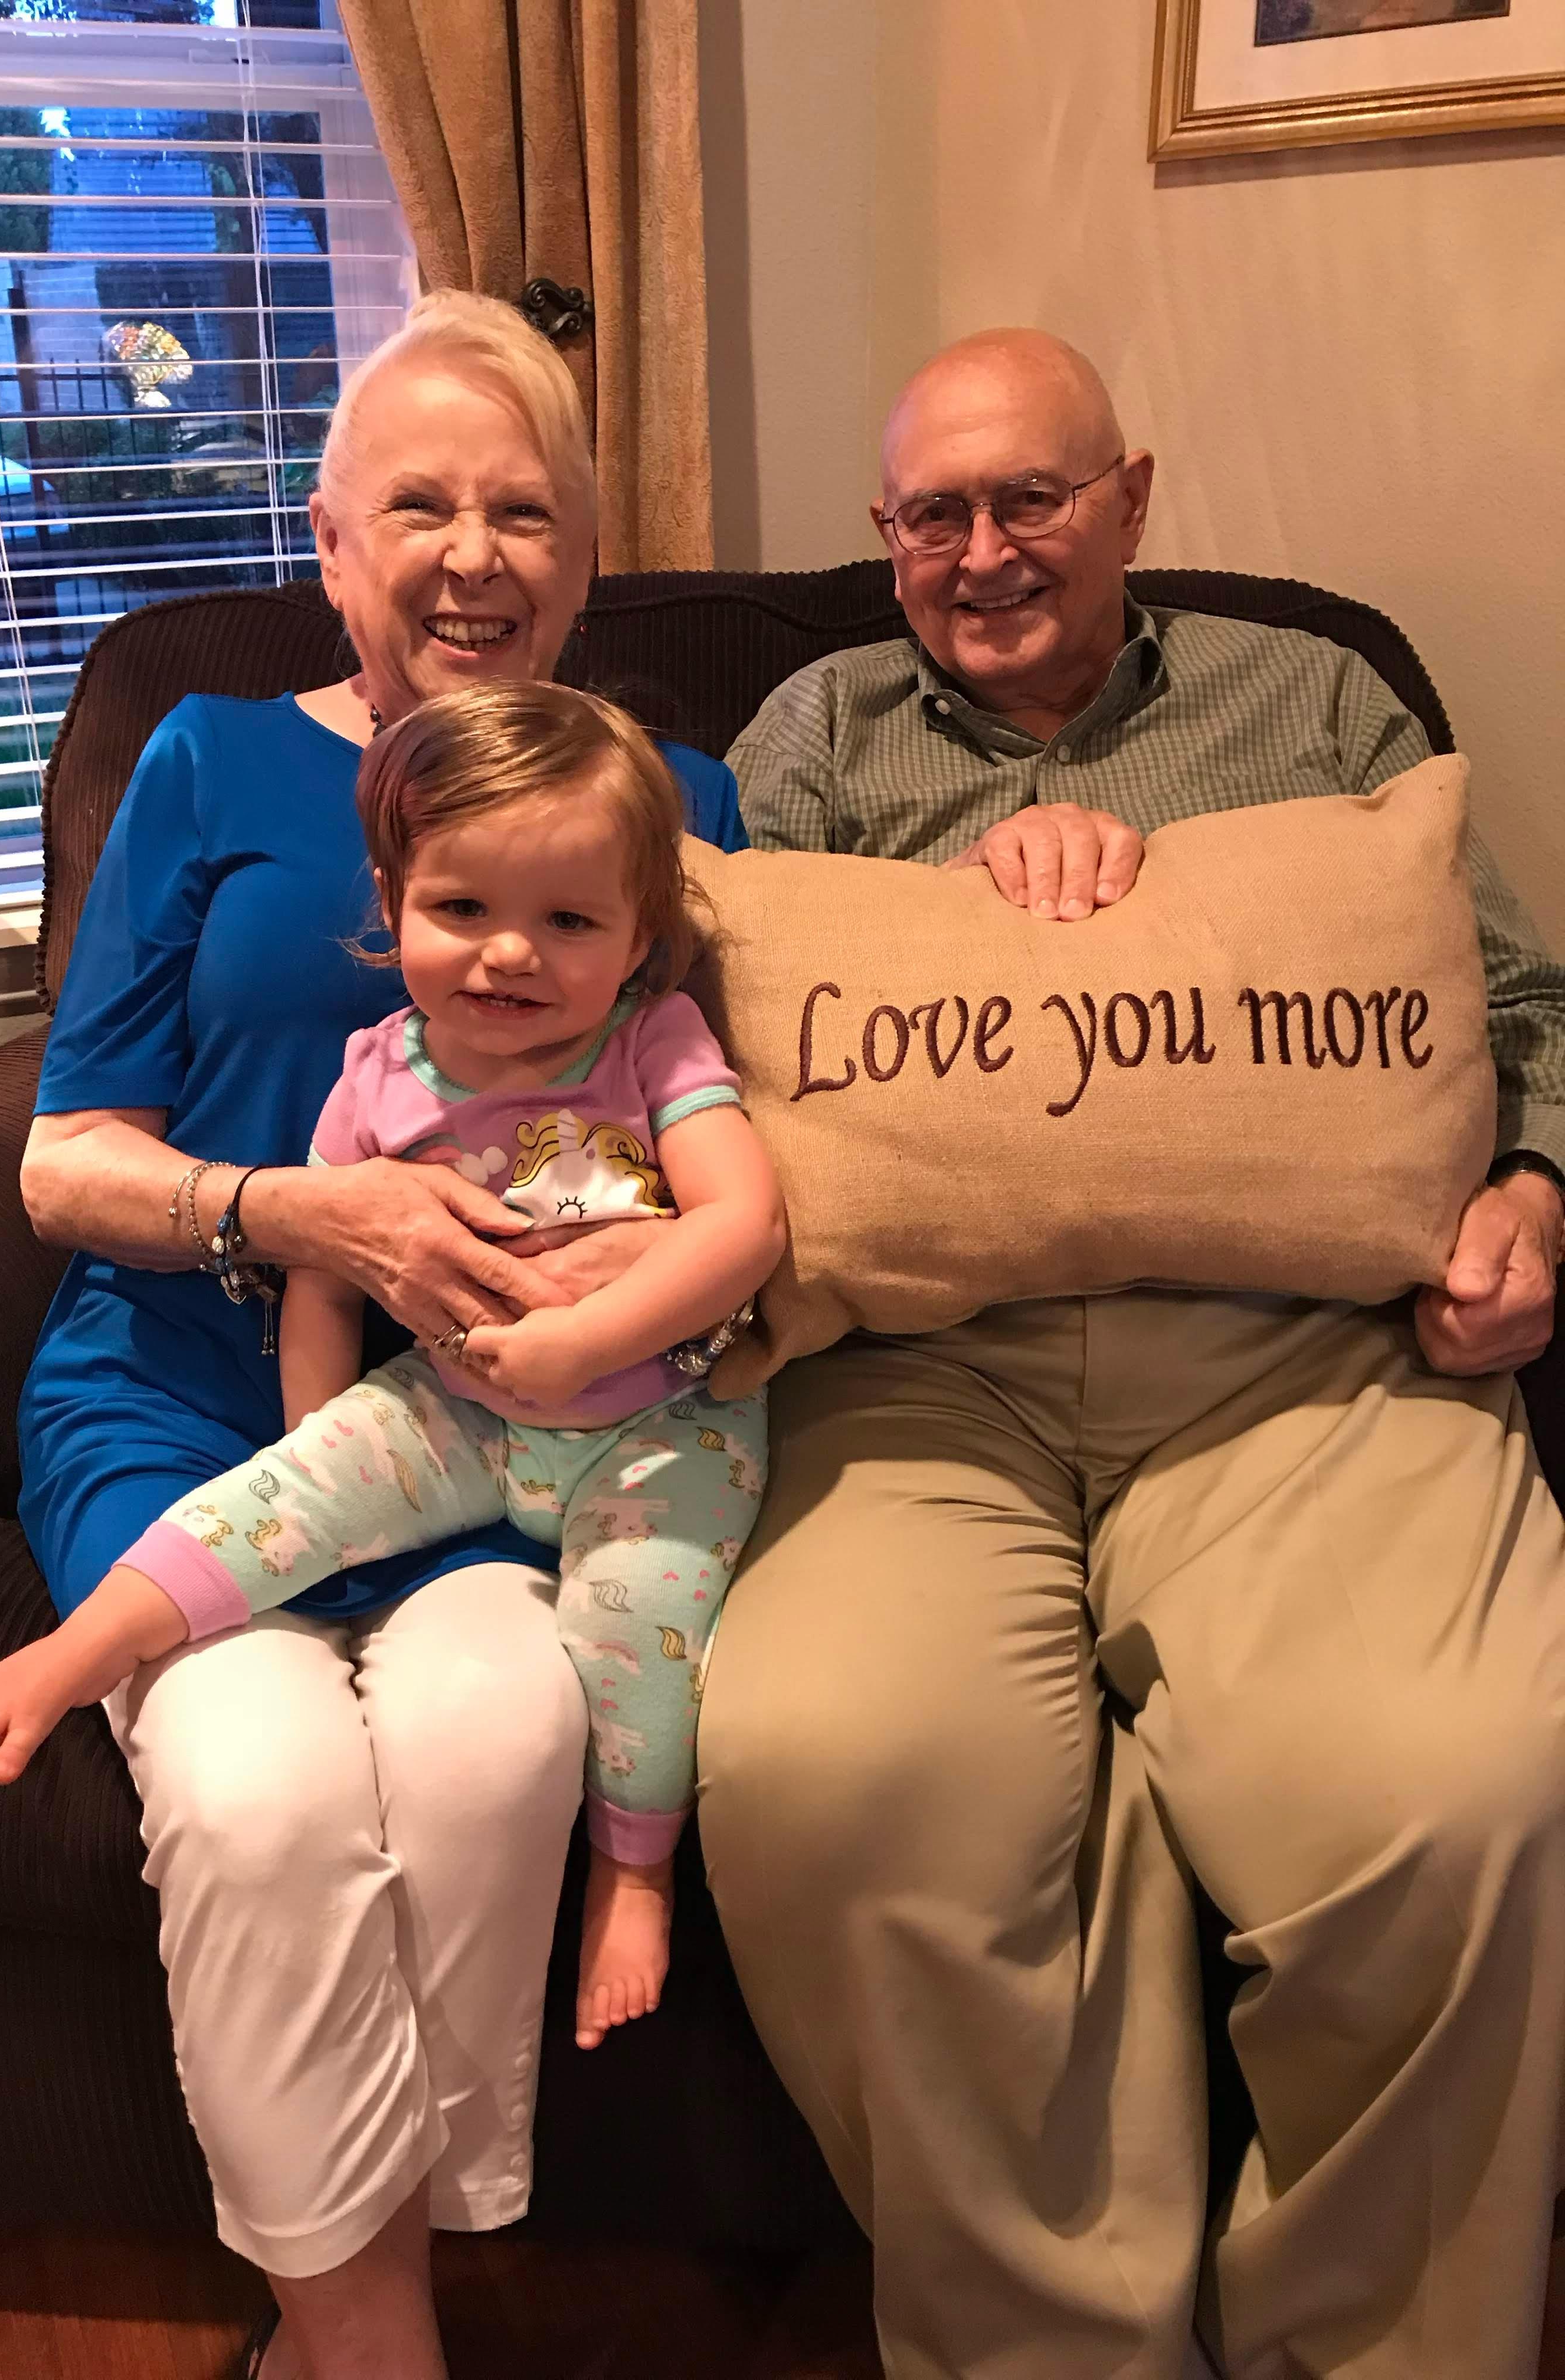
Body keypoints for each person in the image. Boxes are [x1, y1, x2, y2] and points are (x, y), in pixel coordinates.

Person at [701, 326, 1565, 2380]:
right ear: (884, 539)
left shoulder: (1318, 699)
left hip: (1295, 1359)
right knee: (831, 1764)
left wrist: (1532, 1196)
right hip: (914, 1369)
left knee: (1457, 1789)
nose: (983, 552)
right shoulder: (812, 736)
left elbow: (1520, 1003)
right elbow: (696, 1043)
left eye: (1033, 500)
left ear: (1132, 499)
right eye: (933, 515)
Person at [13, 293, 749, 2380]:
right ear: (330, 547)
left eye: (523, 509)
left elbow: (765, 1131)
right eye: (415, 502)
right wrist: (294, 1208)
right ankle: (370, 2346)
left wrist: (649, 1284)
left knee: (496, 1737)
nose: (470, 552)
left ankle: (370, 2291)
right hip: (182, 1389)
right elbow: (61, 1159)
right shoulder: (207, 752)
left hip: (509, 1424)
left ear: (586, 565)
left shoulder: (673, 791)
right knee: (252, 1790)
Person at [0, 680, 782, 2048]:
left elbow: (744, 1221)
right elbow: (323, 1278)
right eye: (463, 911)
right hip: (456, 1406)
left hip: (661, 1427)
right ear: (396, 902)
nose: (510, 954)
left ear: (642, 942)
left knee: (640, 1626)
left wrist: (586, 1339)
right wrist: (316, 1448)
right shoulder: (376, 1071)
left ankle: (633, 1873)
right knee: (270, 1501)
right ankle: (86, 1649)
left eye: (569, 922)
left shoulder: (657, 1040)